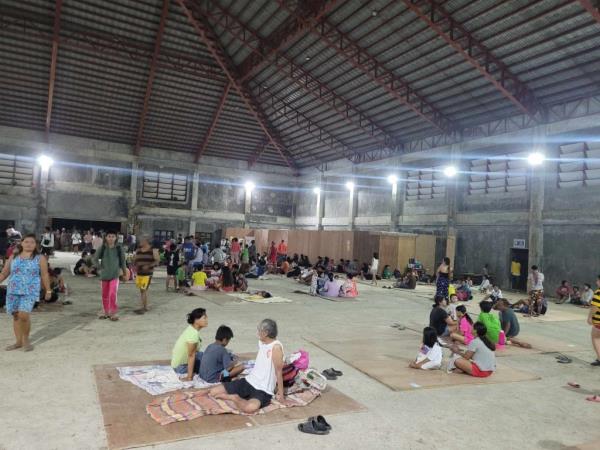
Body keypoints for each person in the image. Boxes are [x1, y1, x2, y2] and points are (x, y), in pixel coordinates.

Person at [209, 319, 285, 413]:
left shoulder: (276, 348)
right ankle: (237, 398)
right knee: (213, 392)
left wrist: (281, 394)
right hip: (249, 380)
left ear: (265, 333)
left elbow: (278, 371)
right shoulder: (262, 342)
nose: (257, 333)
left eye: (259, 330)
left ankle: (234, 398)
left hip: (263, 389)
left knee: (250, 408)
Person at [0, 234, 51, 351]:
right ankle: (18, 342)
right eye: (26, 242)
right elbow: (4, 273)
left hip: (30, 291)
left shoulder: (40, 258)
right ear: (21, 243)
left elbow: (44, 274)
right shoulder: (13, 257)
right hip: (13, 290)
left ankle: (26, 340)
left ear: (36, 245)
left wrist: (48, 290)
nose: (29, 244)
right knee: (16, 315)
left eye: (32, 242)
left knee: (24, 315)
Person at [93, 231, 127, 321]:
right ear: (106, 238)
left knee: (112, 293)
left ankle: (113, 312)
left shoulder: (119, 248)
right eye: (109, 236)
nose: (111, 238)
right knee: (104, 294)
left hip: (115, 275)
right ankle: (106, 311)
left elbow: (123, 262)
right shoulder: (103, 248)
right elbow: (95, 259)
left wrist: (125, 273)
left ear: (116, 238)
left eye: (113, 236)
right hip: (104, 275)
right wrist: (99, 268)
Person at [171, 308, 208, 381]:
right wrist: (189, 377)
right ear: (196, 320)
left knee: (208, 356)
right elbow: (191, 355)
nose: (207, 319)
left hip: (179, 364)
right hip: (181, 368)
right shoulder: (193, 334)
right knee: (212, 364)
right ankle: (227, 375)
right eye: (204, 318)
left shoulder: (192, 329)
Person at [133, 238, 159, 314]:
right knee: (142, 290)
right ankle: (145, 306)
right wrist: (134, 262)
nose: (140, 242)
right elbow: (135, 259)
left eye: (141, 240)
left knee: (143, 289)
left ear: (146, 241)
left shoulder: (153, 250)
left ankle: (143, 307)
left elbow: (157, 261)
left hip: (147, 273)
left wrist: (149, 266)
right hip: (139, 273)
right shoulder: (138, 250)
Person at [588, 275, 600, 366]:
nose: (596, 282)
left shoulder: (598, 292)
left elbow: (595, 307)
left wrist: (590, 317)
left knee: (595, 338)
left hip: (599, 321)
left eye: (598, 280)